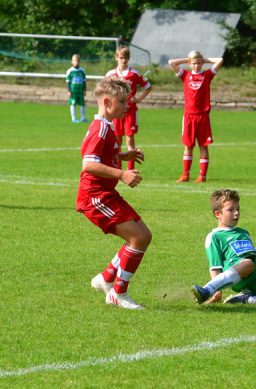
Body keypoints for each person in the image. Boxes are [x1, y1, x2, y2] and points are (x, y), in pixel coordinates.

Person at [78, 76, 151, 310]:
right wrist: (121, 174)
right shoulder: (100, 128)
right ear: (107, 102)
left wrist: (122, 157)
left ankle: (106, 278)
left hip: (105, 193)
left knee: (144, 236)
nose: (127, 105)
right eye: (122, 101)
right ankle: (118, 294)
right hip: (95, 196)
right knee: (137, 239)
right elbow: (88, 164)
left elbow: (101, 156)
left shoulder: (106, 126)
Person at [168, 51, 223, 183]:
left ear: (202, 63)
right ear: (189, 64)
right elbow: (171, 63)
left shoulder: (207, 75)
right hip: (188, 116)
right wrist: (188, 59)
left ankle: (202, 176)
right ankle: (185, 175)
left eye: (199, 63)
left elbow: (220, 60)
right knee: (188, 146)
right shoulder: (185, 75)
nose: (197, 66)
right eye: (194, 63)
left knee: (203, 146)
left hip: (203, 116)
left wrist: (204, 59)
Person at [105, 46, 152, 171]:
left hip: (130, 111)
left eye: (125, 58)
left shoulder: (134, 73)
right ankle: (118, 168)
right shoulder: (111, 74)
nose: (123, 60)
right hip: (116, 112)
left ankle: (130, 169)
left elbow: (148, 86)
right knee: (117, 141)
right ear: (116, 58)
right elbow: (104, 90)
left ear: (129, 59)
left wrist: (139, 99)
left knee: (130, 140)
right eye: (121, 58)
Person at [66, 54, 88, 123]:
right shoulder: (70, 71)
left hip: (80, 90)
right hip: (73, 91)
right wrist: (69, 91)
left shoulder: (82, 71)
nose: (76, 62)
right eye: (75, 61)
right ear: (72, 61)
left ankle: (83, 118)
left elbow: (84, 81)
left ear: (79, 61)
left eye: (77, 61)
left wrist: (84, 90)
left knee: (82, 103)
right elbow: (68, 82)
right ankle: (74, 118)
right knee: (73, 104)